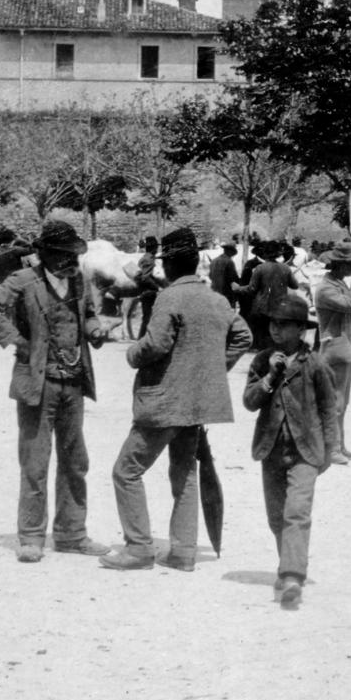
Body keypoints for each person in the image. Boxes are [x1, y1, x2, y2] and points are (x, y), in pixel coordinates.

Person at [101, 227, 252, 572]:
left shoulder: (169, 297)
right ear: (195, 263)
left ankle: (138, 548)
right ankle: (183, 551)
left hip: (164, 402)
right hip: (196, 404)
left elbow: (154, 345)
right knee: (184, 474)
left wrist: (132, 354)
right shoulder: (217, 299)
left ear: (168, 267)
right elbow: (243, 335)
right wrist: (213, 368)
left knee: (126, 471)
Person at [0, 220, 114, 563]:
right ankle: (32, 536)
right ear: (46, 254)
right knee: (35, 462)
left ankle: (71, 534)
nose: (71, 262)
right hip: (38, 383)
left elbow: (89, 315)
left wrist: (96, 330)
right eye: (64, 255)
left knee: (75, 460)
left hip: (74, 382)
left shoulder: (78, 280)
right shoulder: (24, 281)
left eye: (73, 255)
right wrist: (18, 342)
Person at [244, 295, 341, 606]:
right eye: (272, 324)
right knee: (277, 517)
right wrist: (270, 377)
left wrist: (329, 449)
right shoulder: (261, 361)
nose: (275, 330)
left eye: (283, 325)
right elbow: (249, 402)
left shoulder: (316, 364)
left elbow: (329, 409)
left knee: (296, 513)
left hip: (306, 451)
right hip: (270, 449)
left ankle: (292, 577)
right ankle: (287, 564)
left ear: (301, 329)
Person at [314, 243, 351, 461]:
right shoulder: (327, 289)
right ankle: (331, 449)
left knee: (342, 402)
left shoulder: (337, 284)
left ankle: (339, 445)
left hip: (345, 347)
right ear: (340, 266)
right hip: (334, 348)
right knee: (335, 402)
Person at [239, 240, 300, 351]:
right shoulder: (285, 268)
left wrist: (238, 288)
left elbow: (252, 289)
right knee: (275, 331)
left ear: (265, 254)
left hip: (262, 307)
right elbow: (295, 285)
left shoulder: (260, 268)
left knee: (261, 331)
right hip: (279, 306)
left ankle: (262, 353)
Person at [209, 240, 240, 308]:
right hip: (225, 295)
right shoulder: (229, 262)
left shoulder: (214, 261)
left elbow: (210, 276)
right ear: (230, 251)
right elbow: (234, 278)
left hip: (214, 293)